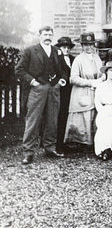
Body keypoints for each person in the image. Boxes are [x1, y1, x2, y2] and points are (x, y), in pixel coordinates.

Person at [17, 26, 70, 165]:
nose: (48, 37)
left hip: (54, 89)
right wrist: (33, 82)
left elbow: (65, 69)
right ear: (39, 35)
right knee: (33, 121)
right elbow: (20, 70)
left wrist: (61, 80)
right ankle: (28, 152)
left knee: (52, 120)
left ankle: (50, 148)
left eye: (50, 34)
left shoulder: (57, 51)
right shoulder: (30, 51)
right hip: (37, 89)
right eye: (45, 34)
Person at [66, 32, 104, 149]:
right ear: (82, 46)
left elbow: (102, 73)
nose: (89, 47)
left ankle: (93, 143)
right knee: (83, 117)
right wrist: (91, 82)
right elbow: (73, 78)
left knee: (94, 117)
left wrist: (102, 79)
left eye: (91, 44)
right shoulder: (78, 59)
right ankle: (81, 143)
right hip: (82, 92)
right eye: (86, 45)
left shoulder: (97, 58)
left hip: (95, 92)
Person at [54, 36, 74, 154]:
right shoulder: (56, 59)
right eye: (63, 47)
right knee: (60, 116)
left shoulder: (73, 59)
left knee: (68, 116)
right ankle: (58, 144)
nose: (66, 50)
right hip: (60, 91)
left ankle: (66, 142)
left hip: (72, 91)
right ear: (59, 49)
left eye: (68, 47)